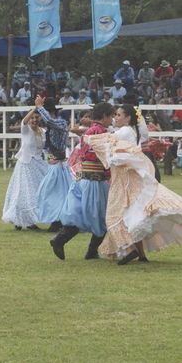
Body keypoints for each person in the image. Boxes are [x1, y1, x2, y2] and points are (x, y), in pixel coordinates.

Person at [86, 125, 182, 265]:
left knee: (113, 219)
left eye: (119, 115)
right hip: (128, 187)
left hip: (123, 188)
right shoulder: (129, 146)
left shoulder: (121, 146)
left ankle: (131, 250)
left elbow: (101, 143)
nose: (116, 118)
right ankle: (140, 254)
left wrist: (89, 135)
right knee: (132, 221)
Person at [49, 102, 114, 260]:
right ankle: (91, 251)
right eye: (111, 116)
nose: (111, 119)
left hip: (83, 179)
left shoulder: (89, 131)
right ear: (105, 116)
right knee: (101, 216)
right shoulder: (101, 133)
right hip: (96, 181)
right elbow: (104, 158)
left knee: (79, 214)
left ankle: (61, 239)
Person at [2, 107, 48, 230]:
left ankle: (29, 220)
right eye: (32, 118)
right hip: (25, 164)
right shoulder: (26, 129)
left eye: (36, 117)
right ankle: (21, 220)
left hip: (38, 163)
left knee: (38, 191)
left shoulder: (43, 131)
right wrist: (35, 108)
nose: (34, 120)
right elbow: (24, 121)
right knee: (23, 192)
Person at [35, 96, 72, 232]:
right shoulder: (54, 124)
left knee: (52, 192)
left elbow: (50, 121)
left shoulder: (60, 123)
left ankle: (58, 221)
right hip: (54, 163)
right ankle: (58, 220)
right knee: (54, 192)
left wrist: (40, 107)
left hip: (59, 164)